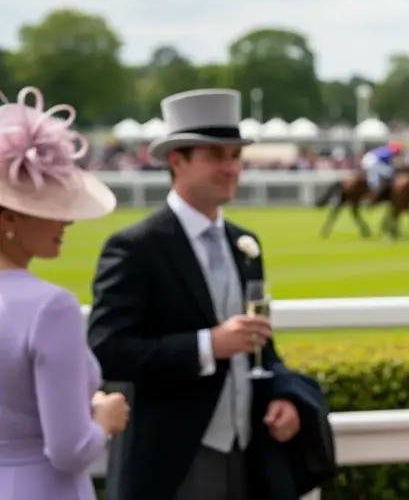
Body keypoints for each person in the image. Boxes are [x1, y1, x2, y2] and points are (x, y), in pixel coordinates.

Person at [87, 89, 311, 500]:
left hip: (247, 451)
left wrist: (283, 395)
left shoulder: (246, 244)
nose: (230, 168)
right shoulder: (136, 247)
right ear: (177, 161)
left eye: (235, 156)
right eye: (215, 156)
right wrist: (207, 345)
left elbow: (259, 346)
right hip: (172, 459)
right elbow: (107, 348)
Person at [0, 87, 129, 500]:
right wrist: (105, 419)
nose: (67, 219)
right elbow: (69, 450)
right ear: (9, 219)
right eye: (50, 207)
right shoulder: (50, 306)